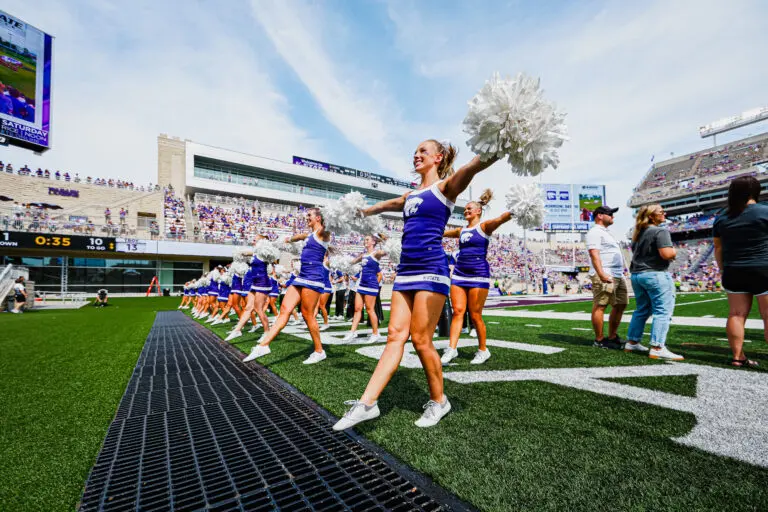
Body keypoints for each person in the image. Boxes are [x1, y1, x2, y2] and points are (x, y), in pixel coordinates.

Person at [333, 139, 497, 431]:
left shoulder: (446, 188)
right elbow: (386, 204)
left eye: (424, 151)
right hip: (405, 270)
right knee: (395, 335)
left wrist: (500, 141)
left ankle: (439, 401)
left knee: (421, 340)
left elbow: (475, 165)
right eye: (416, 151)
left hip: (431, 269)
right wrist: (364, 212)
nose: (417, 154)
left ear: (438, 157)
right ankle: (367, 403)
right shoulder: (410, 194)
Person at [238, 208, 330, 364]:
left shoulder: (323, 233)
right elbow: (300, 236)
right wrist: (288, 240)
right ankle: (264, 345)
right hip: (301, 277)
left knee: (308, 315)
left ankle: (319, 350)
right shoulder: (309, 235)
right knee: (284, 310)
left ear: (318, 218)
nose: (306, 218)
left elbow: (328, 228)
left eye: (309, 215)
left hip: (313, 277)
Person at [440, 189, 512, 365]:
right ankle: (452, 349)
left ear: (478, 211)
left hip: (478, 274)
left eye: (469, 208)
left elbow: (501, 219)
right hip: (459, 274)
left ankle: (482, 350)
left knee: (475, 315)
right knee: (457, 311)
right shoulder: (460, 230)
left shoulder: (484, 227)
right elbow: (440, 233)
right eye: (464, 209)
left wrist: (516, 210)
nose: (466, 211)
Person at [713, 176, 768, 368]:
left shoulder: (722, 218)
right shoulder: (764, 211)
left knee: (736, 314)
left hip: (733, 270)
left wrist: (722, 269)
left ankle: (737, 356)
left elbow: (718, 249)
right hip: (763, 268)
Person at [625, 204, 681, 360]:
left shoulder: (638, 233)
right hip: (655, 274)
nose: (665, 214)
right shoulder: (660, 231)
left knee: (642, 310)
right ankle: (657, 346)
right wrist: (674, 251)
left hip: (637, 275)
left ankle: (632, 341)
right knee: (663, 311)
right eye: (661, 212)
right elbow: (666, 253)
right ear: (651, 216)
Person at [585, 205, 628, 349]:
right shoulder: (595, 232)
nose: (613, 216)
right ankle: (599, 339)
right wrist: (601, 274)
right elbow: (594, 253)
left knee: (621, 304)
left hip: (617, 274)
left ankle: (613, 336)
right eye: (610, 214)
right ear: (600, 215)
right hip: (605, 273)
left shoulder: (606, 232)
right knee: (600, 305)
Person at [224, 237, 273, 339]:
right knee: (248, 308)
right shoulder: (256, 253)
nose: (254, 241)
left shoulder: (264, 253)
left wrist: (241, 252)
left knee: (258, 309)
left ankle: (267, 332)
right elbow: (247, 254)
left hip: (263, 283)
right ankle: (237, 330)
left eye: (256, 240)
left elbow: (248, 253)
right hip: (254, 283)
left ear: (262, 242)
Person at [342, 235, 386, 343]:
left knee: (370, 310)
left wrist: (383, 238)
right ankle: (352, 332)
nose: (365, 241)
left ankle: (375, 333)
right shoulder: (363, 255)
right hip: (361, 284)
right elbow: (351, 262)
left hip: (371, 284)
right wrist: (341, 262)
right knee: (357, 309)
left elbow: (386, 251)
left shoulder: (376, 254)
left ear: (373, 242)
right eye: (365, 239)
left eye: (367, 239)